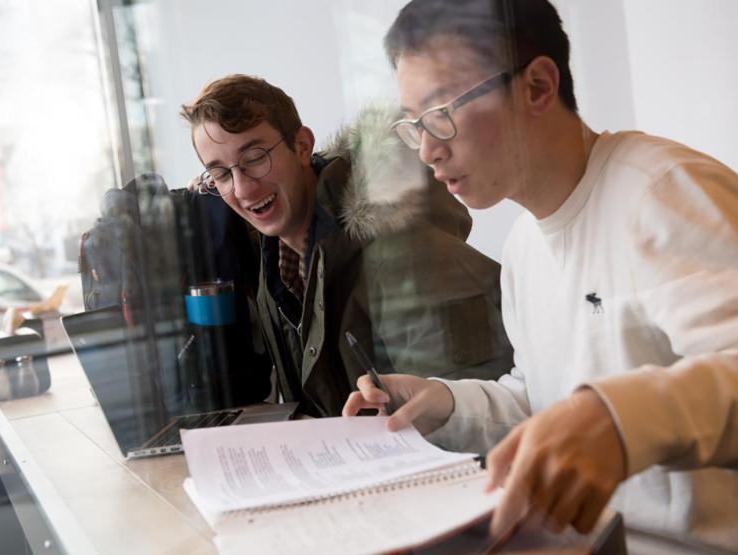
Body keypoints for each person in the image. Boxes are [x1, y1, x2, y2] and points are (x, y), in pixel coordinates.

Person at [342, 0, 738, 549]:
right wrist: (444, 403)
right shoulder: (525, 245)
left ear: (537, 87)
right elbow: (541, 402)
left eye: (441, 112)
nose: (429, 150)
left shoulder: (663, 193)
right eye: (413, 126)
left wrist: (617, 418)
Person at [180, 75, 513, 417]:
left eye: (254, 157)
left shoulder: (403, 254)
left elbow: (461, 425)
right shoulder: (274, 262)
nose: (243, 189)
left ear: (302, 146)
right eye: (220, 174)